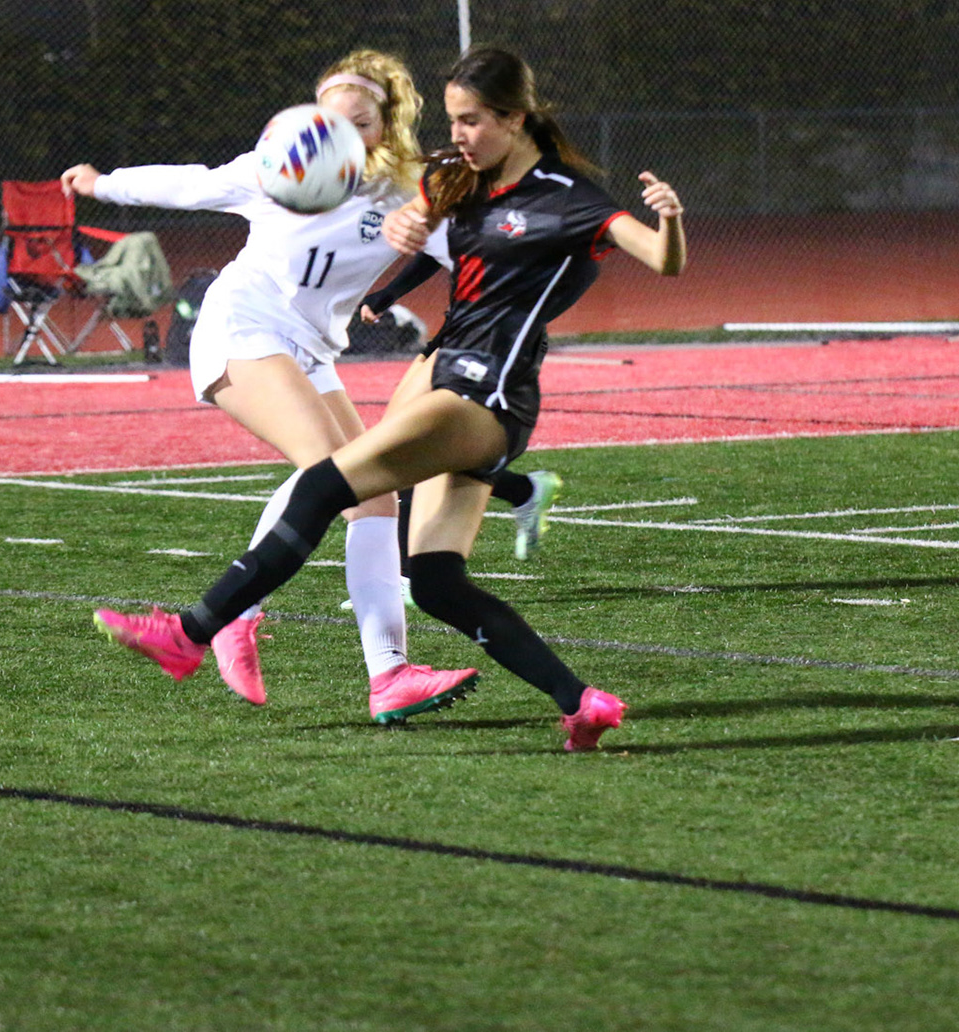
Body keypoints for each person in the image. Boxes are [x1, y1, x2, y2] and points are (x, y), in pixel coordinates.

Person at [95, 46, 686, 751]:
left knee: (341, 492)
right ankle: (558, 698)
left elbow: (638, 256)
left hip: (469, 384)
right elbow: (194, 184)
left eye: (471, 121)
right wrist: (102, 184)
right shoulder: (388, 178)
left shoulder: (527, 195)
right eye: (454, 121)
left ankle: (206, 628)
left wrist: (666, 221)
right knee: (415, 559)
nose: (459, 135)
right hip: (264, 334)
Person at [60, 49, 480, 725]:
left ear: (386, 122)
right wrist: (103, 183)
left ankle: (390, 675)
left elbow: (473, 257)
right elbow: (191, 184)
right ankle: (224, 617)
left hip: (311, 351)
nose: (338, 132)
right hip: (243, 327)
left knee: (376, 496)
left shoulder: (407, 191)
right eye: (328, 117)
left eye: (359, 120)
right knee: (337, 474)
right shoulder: (278, 167)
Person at [359, 258, 563, 562]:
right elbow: (438, 248)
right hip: (458, 325)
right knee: (406, 442)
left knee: (409, 445)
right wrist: (390, 293)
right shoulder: (469, 228)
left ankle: (408, 575)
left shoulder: (534, 232)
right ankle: (521, 490)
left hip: (496, 333)